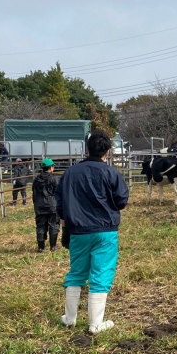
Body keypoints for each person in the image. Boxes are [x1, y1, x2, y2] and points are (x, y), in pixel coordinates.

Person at [56, 130, 128, 335]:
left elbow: (59, 202)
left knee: (76, 272)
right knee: (101, 273)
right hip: (105, 231)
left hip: (77, 230)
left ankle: (70, 318)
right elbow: (122, 201)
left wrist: (64, 227)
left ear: (86, 149)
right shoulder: (111, 173)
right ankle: (95, 324)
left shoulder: (70, 172)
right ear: (107, 152)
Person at [32, 158, 60, 253]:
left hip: (39, 205)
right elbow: (58, 192)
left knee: (40, 226)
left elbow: (34, 193)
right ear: (51, 168)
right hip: (52, 205)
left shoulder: (36, 179)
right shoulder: (54, 178)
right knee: (54, 224)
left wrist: (35, 203)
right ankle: (53, 246)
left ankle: (41, 247)